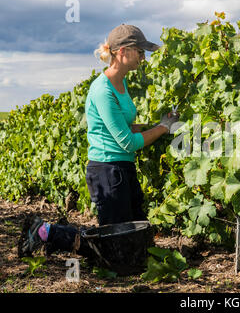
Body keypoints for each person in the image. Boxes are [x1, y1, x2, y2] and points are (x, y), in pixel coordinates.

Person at [18, 24, 179, 259]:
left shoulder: (121, 82)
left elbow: (123, 127)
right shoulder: (103, 91)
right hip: (107, 172)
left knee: (136, 244)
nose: (144, 57)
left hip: (123, 169)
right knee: (115, 250)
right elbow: (128, 142)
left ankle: (53, 235)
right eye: (140, 51)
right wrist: (163, 128)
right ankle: (46, 232)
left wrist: (157, 123)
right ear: (122, 52)